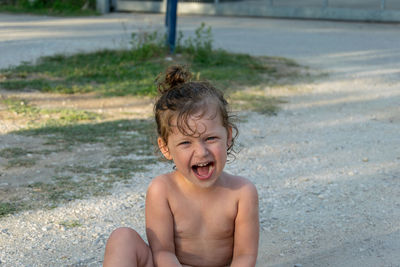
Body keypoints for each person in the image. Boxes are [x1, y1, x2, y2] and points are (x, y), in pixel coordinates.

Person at [103, 65, 259, 267]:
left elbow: (244, 257)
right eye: (186, 143)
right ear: (166, 147)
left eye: (210, 138)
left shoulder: (242, 193)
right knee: (122, 238)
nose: (201, 152)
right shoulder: (163, 190)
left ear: (227, 137)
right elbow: (163, 252)